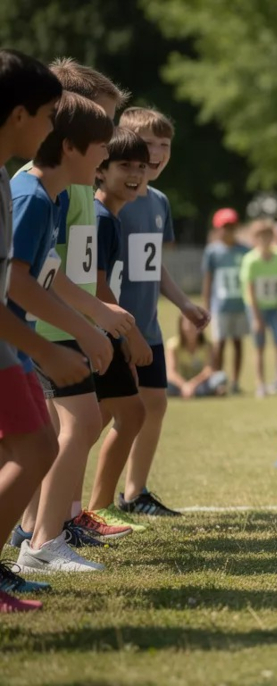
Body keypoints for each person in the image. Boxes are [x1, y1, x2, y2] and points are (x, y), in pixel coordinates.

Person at [9, 93, 133, 575]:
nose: (107, 158)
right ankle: (40, 543)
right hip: (23, 340)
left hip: (27, 340)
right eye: (102, 146)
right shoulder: (32, 196)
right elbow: (17, 279)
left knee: (38, 443)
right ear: (71, 147)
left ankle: (36, 541)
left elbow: (42, 273)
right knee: (47, 439)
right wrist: (81, 328)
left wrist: (89, 323)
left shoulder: (53, 197)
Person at [0, 48, 86, 612]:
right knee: (34, 446)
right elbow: (16, 285)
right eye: (51, 114)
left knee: (34, 445)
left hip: (10, 344)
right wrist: (43, 353)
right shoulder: (21, 190)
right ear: (18, 115)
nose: (54, 128)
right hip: (9, 343)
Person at [110, 106, 211, 518]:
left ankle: (135, 494)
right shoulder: (111, 199)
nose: (157, 152)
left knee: (154, 405)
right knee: (101, 416)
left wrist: (184, 304)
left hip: (147, 327)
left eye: (164, 145)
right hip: (114, 327)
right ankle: (71, 508)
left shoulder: (159, 202)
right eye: (147, 143)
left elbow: (153, 267)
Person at [88, 127, 157, 534]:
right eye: (124, 165)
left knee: (107, 417)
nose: (135, 174)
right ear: (101, 170)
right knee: (128, 414)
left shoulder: (110, 217)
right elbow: (97, 286)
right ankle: (91, 510)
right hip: (96, 331)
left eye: (141, 167)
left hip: (102, 330)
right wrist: (127, 334)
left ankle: (85, 510)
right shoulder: (99, 218)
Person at [240, 220, 277, 398]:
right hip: (257, 308)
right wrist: (255, 317)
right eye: (260, 236)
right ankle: (260, 384)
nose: (264, 239)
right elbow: (250, 290)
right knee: (259, 347)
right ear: (254, 239)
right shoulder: (250, 260)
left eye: (267, 235)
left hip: (276, 307)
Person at [202, 207, 249, 395]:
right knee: (219, 344)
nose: (228, 231)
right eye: (224, 227)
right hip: (220, 306)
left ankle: (236, 381)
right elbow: (208, 279)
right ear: (218, 228)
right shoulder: (213, 252)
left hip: (240, 304)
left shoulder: (244, 250)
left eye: (231, 226)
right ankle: (218, 381)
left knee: (238, 342)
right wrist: (206, 305)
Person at [166, 317, 226, 398]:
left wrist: (192, 385)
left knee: (221, 377)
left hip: (200, 382)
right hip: (179, 383)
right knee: (161, 381)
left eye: (195, 324)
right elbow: (171, 373)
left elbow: (208, 370)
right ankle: (204, 392)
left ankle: (192, 392)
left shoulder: (207, 345)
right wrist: (184, 386)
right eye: (188, 324)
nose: (191, 328)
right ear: (181, 326)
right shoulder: (173, 346)